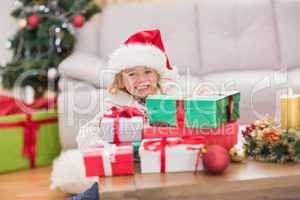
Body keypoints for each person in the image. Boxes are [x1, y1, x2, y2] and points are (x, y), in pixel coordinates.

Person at [51, 29, 179, 194]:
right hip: (124, 171)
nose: (141, 80)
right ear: (121, 81)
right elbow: (87, 135)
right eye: (132, 74)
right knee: (97, 193)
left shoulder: (168, 101)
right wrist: (106, 144)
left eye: (148, 72)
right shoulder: (115, 106)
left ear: (158, 75)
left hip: (159, 168)